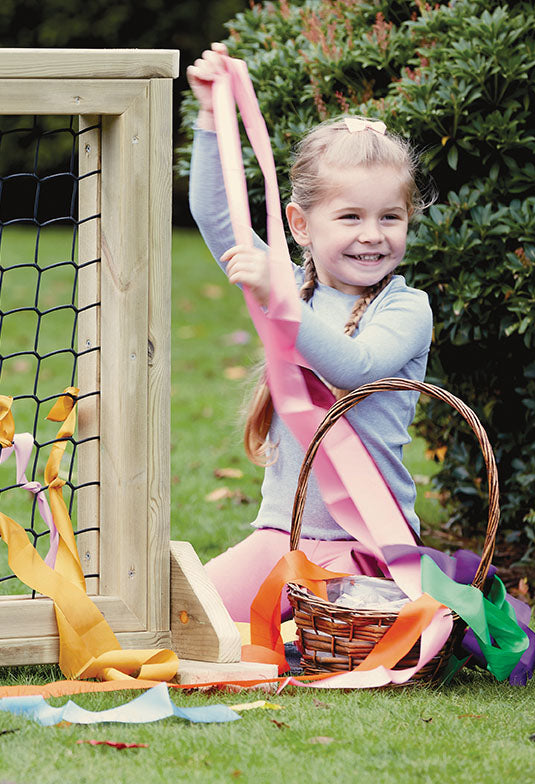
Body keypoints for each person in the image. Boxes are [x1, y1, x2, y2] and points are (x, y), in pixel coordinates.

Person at [185, 43, 435, 623]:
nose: (372, 235)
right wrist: (207, 115)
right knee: (190, 620)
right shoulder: (292, 288)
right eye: (350, 217)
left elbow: (354, 367)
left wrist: (280, 304)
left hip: (371, 550)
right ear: (300, 223)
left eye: (390, 218)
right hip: (281, 536)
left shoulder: (406, 309)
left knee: (325, 642)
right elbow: (218, 219)